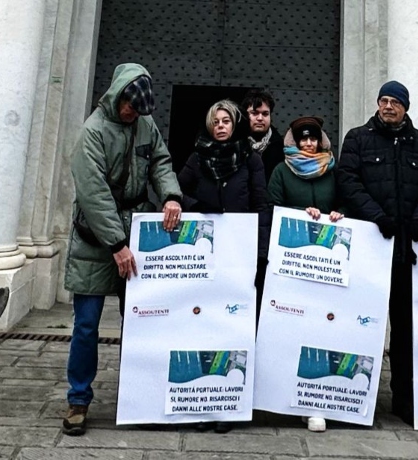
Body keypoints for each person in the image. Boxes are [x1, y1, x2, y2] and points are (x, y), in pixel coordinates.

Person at [64, 63, 183, 437]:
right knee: (86, 326)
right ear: (118, 97)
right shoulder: (92, 132)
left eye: (138, 110)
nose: (132, 114)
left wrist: (170, 196)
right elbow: (93, 193)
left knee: (140, 322)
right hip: (95, 241)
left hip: (136, 231)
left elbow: (161, 161)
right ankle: (78, 401)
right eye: (129, 108)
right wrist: (117, 244)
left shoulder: (144, 125)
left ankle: (140, 399)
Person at [335, 80, 418, 425]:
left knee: (406, 329)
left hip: (406, 251)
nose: (387, 106)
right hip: (370, 247)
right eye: (383, 100)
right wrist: (376, 217)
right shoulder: (357, 138)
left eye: (394, 102)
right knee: (359, 322)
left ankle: (405, 399)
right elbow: (347, 181)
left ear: (405, 107)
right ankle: (350, 397)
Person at [176, 99, 267, 434]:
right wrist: (195, 206)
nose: (221, 125)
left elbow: (261, 204)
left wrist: (259, 252)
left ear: (236, 123)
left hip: (239, 257)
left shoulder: (251, 158)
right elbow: (174, 191)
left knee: (234, 327)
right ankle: (203, 401)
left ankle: (228, 404)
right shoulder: (198, 157)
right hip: (205, 257)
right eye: (216, 120)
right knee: (204, 324)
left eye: (227, 120)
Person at [264, 115, 343, 433]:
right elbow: (271, 207)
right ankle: (285, 394)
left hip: (326, 265)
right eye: (302, 140)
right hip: (293, 264)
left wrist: (339, 213)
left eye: (313, 139)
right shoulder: (282, 171)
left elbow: (343, 201)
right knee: (292, 329)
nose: (308, 144)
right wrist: (300, 215)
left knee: (321, 330)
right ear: (294, 142)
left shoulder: (333, 170)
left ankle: (315, 403)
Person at [241, 88, 284, 184]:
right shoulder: (236, 144)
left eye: (265, 114)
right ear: (245, 115)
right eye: (254, 113)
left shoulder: (281, 148)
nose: (260, 118)